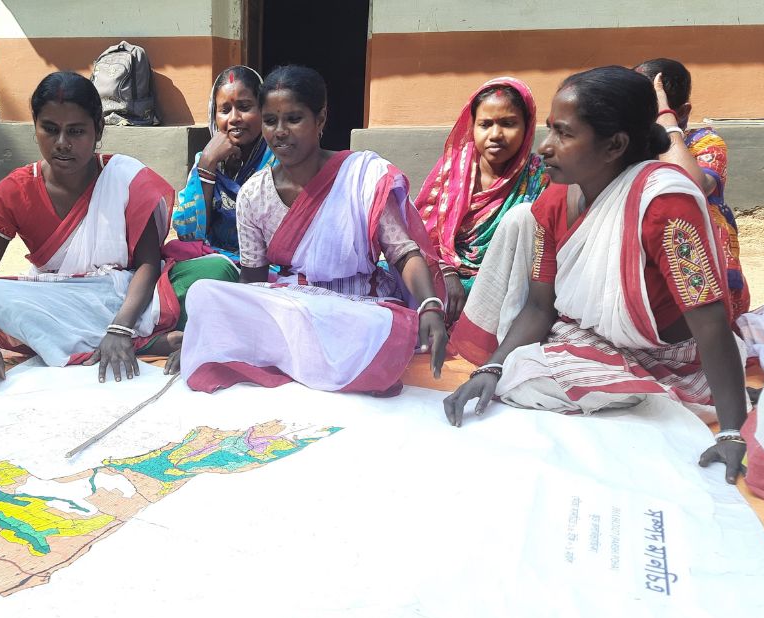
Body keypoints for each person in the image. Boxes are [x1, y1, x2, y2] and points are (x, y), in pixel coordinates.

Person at [443, 66, 748, 485]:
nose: (544, 149)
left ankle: (698, 393)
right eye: (549, 131)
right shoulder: (555, 200)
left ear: (615, 145)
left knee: (540, 384)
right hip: (593, 340)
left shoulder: (664, 203)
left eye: (564, 134)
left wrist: (732, 430)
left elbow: (710, 320)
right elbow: (538, 304)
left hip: (667, 355)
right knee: (519, 377)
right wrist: (490, 370)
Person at [0, 71, 233, 393]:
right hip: (66, 296)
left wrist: (120, 326)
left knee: (218, 270)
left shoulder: (125, 178)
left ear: (98, 130)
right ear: (35, 128)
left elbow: (146, 264)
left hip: (132, 295)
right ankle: (150, 342)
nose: (62, 144)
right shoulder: (15, 191)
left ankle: (116, 337)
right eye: (50, 129)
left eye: (76, 131)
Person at [179, 65, 448, 395]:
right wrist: (213, 334)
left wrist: (429, 305)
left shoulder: (361, 175)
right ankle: (326, 362)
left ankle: (334, 360)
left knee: (377, 327)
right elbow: (254, 284)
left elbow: (404, 253)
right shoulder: (254, 194)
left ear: (320, 120)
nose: (280, 131)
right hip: (296, 306)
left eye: (293, 119)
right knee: (205, 293)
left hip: (357, 308)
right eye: (270, 120)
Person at [414, 78, 549, 322]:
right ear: (472, 126)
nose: (496, 134)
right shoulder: (453, 169)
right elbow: (422, 234)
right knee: (393, 276)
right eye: (485, 124)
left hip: (500, 279)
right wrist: (446, 271)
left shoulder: (538, 177)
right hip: (444, 272)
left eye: (508, 124)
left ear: (527, 126)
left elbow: (539, 249)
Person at [635, 58, 750, 320]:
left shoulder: (704, 143)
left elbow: (690, 184)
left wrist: (664, 117)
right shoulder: (626, 144)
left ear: (683, 111)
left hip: (709, 287)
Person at [171, 66, 276, 260]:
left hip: (265, 267)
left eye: (244, 107)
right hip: (214, 260)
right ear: (214, 115)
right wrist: (208, 165)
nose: (234, 118)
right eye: (225, 110)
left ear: (263, 110)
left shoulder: (276, 162)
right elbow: (188, 237)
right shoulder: (206, 160)